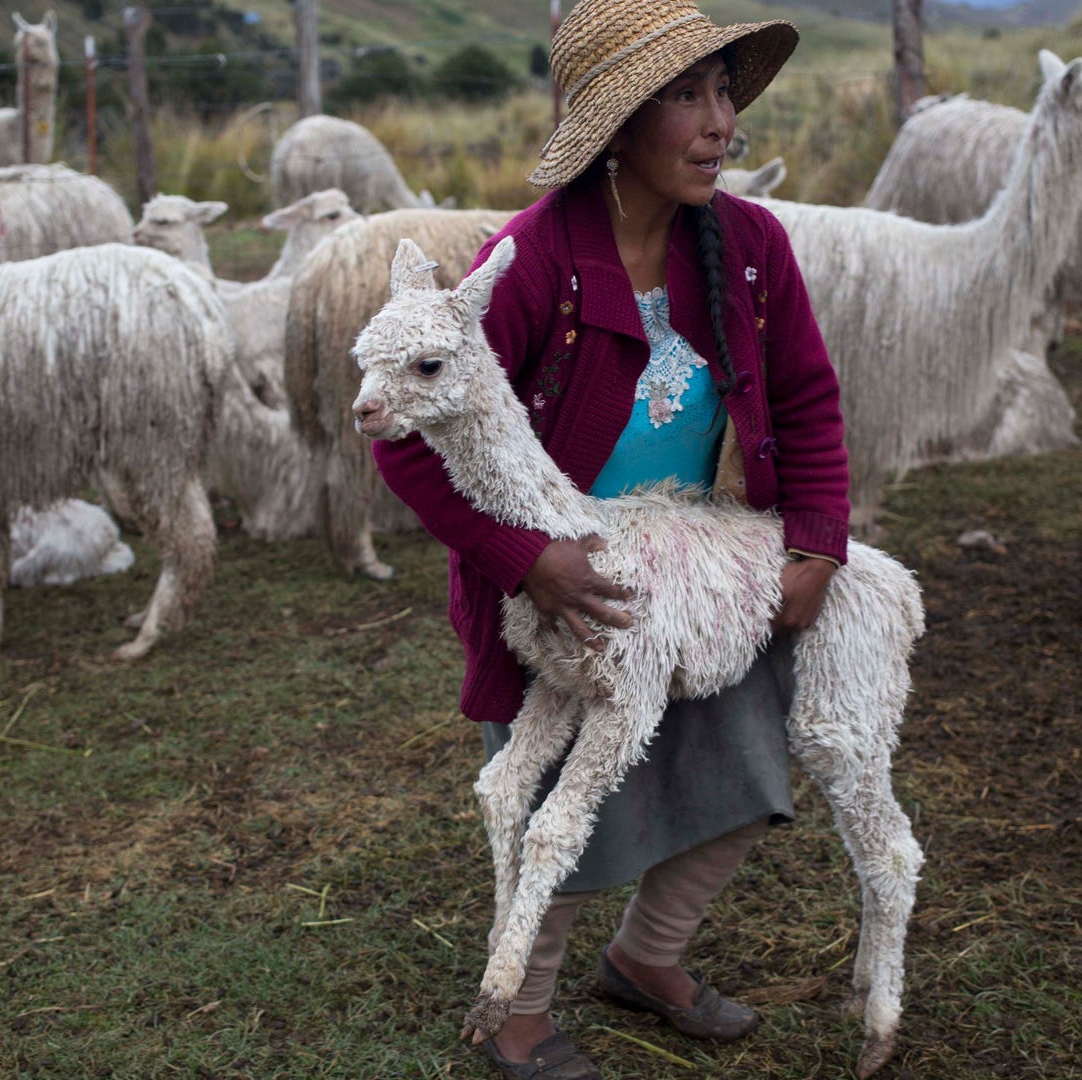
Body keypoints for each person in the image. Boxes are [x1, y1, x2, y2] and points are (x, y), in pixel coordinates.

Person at [372, 1, 849, 1076]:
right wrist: (523, 560)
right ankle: (523, 1013)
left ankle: (648, 957)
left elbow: (807, 401)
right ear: (617, 124)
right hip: (564, 583)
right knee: (556, 798)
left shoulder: (752, 248)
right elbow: (407, 437)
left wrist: (816, 540)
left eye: (726, 90)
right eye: (689, 96)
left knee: (747, 769)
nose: (722, 122)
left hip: (696, 570)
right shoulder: (531, 264)